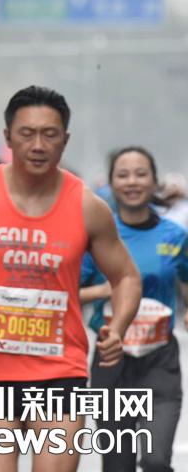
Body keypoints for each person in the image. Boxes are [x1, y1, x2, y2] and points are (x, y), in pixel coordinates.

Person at [0, 85, 141, 472]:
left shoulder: (88, 206)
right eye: (27, 133)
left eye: (49, 134)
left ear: (65, 139)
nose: (38, 145)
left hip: (60, 371)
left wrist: (117, 328)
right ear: (8, 138)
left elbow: (126, 277)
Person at [80, 147, 188, 472]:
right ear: (111, 183)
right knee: (117, 465)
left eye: (141, 174)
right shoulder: (98, 235)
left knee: (156, 460)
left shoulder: (175, 235)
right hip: (111, 358)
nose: (132, 182)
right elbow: (67, 294)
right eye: (123, 175)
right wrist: (107, 289)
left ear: (154, 181)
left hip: (159, 359)